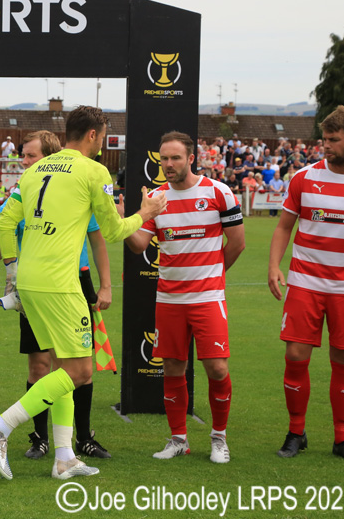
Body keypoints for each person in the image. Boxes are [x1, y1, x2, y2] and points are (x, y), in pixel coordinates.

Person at [0, 106, 166, 480]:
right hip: (61, 285)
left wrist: (12, 272)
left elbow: (6, 222)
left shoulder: (34, 171)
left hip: (30, 282)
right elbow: (113, 231)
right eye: (104, 136)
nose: (103, 144)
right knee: (79, 371)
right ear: (93, 135)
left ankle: (64, 457)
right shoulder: (93, 170)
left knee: (61, 366)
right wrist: (147, 212)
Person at [0, 130, 114, 461]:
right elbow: (1, 249)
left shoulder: (77, 186)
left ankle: (79, 442)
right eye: (23, 156)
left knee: (77, 367)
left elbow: (98, 240)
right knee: (43, 365)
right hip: (40, 286)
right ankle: (39, 439)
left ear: (51, 157)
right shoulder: (26, 190)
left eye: (31, 156)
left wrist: (105, 285)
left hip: (75, 282)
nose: (25, 162)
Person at [124, 131, 245, 464]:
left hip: (208, 298)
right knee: (173, 368)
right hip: (170, 300)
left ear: (191, 159)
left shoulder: (218, 192)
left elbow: (237, 243)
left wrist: (213, 276)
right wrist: (126, 220)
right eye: (164, 158)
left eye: (175, 158)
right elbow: (138, 244)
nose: (168, 164)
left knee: (217, 368)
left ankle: (219, 438)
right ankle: (179, 439)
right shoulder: (156, 199)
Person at [268, 106, 344, 463]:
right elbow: (284, 226)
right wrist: (274, 266)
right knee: (295, 356)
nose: (326, 145)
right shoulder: (304, 177)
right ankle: (295, 433)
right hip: (305, 284)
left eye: (333, 139)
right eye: (324, 139)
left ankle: (342, 439)